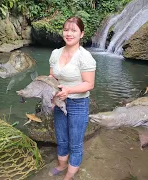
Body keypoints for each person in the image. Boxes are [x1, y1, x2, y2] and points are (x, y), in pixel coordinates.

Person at [48, 16, 96, 180]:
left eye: (73, 30)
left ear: (81, 34)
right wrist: (51, 93)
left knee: (75, 142)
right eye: (66, 30)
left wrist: (69, 90)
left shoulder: (85, 57)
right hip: (59, 101)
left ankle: (69, 175)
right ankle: (61, 165)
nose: (69, 33)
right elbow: (52, 77)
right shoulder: (55, 54)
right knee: (61, 138)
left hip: (78, 103)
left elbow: (89, 84)